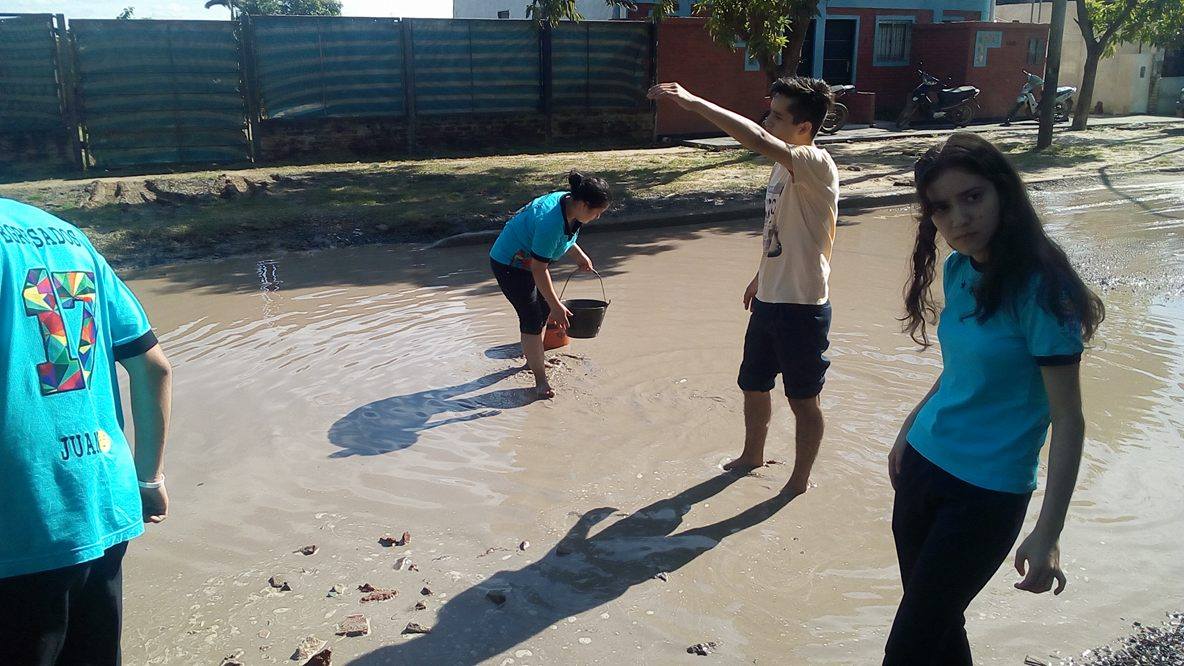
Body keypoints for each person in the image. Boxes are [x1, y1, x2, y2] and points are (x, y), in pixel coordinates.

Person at [885, 133, 1105, 665]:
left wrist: (1048, 532)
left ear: (1003, 191)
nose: (959, 217)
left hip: (985, 497)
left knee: (908, 649)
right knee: (937, 628)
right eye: (942, 207)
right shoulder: (960, 270)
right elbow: (957, 372)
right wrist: (906, 432)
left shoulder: (1043, 292)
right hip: (922, 467)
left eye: (973, 196)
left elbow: (1069, 421)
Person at [0, 198, 173, 665]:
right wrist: (148, 480)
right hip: (102, 498)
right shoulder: (67, 236)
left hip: (20, 517)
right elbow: (153, 366)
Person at [648, 77, 838, 495]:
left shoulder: (815, 162)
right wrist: (759, 276)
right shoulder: (783, 168)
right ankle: (753, 455)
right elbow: (782, 230)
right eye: (768, 111)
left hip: (802, 305)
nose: (767, 119)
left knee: (803, 399)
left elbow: (752, 138)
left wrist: (696, 101)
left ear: (804, 127)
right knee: (753, 384)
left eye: (777, 115)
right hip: (770, 298)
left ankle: (799, 481)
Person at [489, 170, 611, 399]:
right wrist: (556, 305)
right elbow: (538, 268)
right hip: (509, 264)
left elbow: (567, 234)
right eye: (597, 213)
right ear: (584, 205)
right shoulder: (550, 223)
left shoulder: (572, 203)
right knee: (532, 317)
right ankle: (539, 380)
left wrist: (578, 254)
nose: (598, 218)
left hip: (528, 261)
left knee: (543, 309)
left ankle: (533, 358)